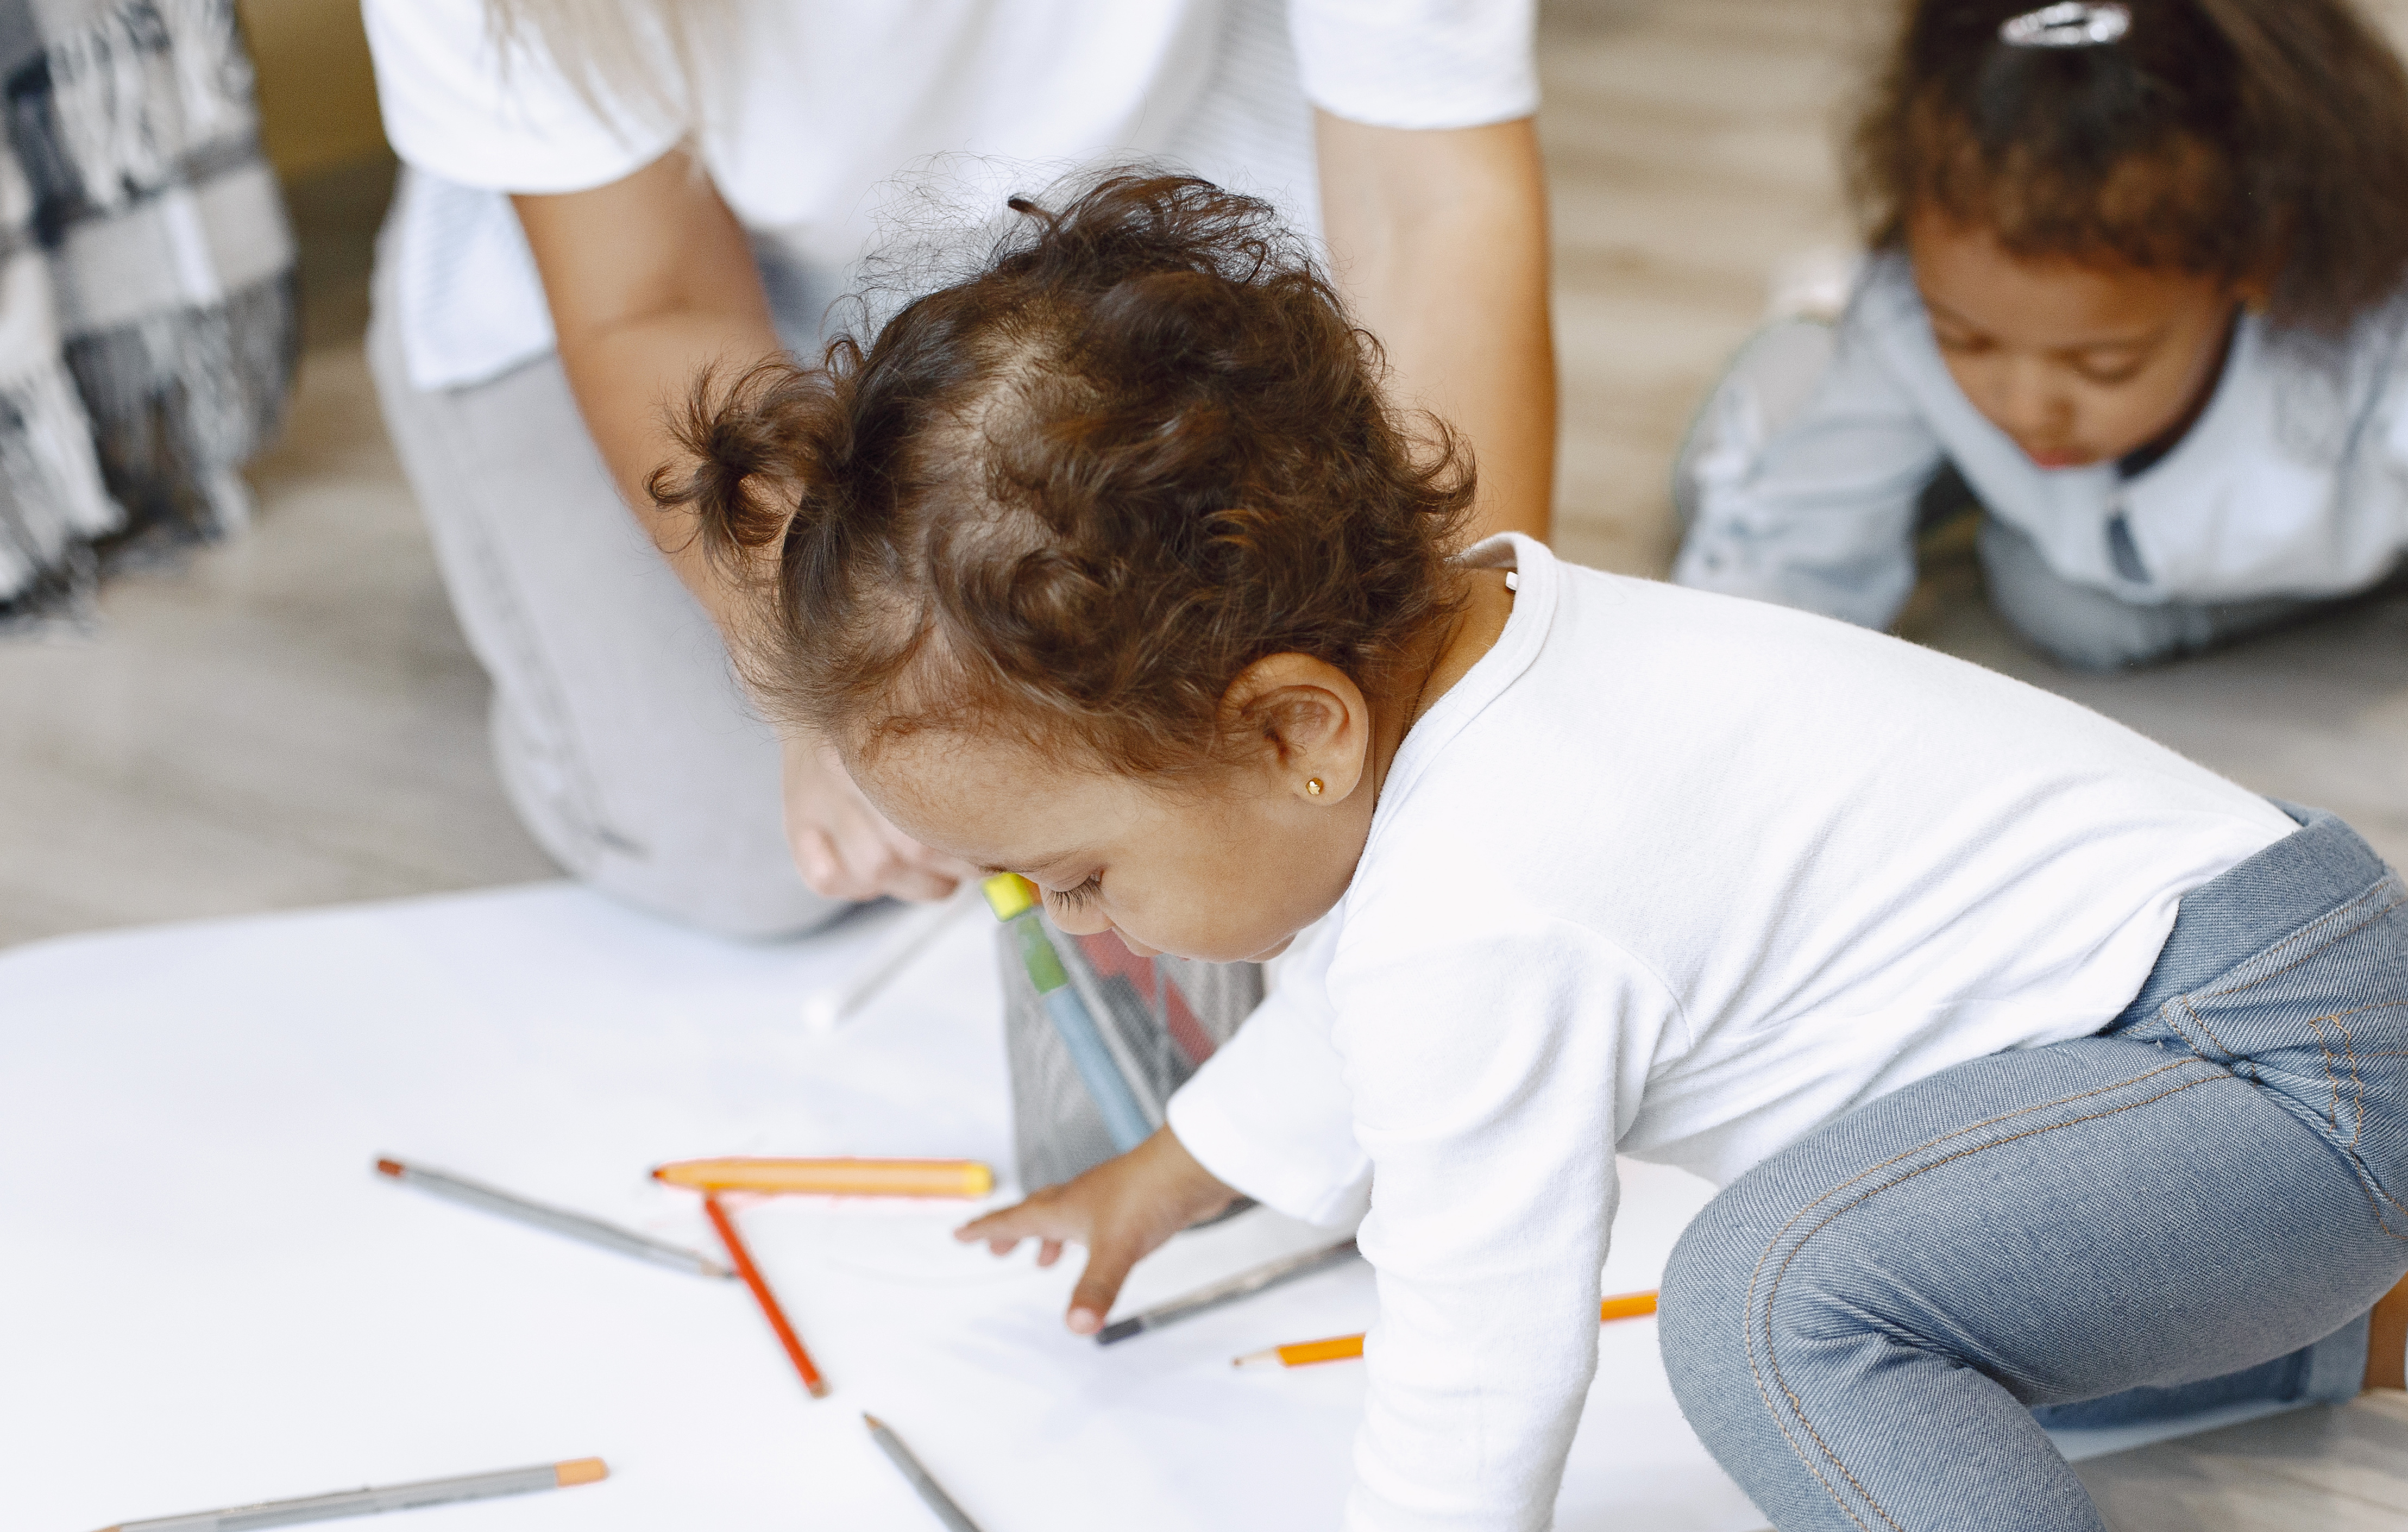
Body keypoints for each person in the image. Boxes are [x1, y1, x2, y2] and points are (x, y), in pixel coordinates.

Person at [656, 177, 2408, 1532]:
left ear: (1298, 727)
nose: (1093, 925)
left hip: (2264, 1071)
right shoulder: (1487, 662)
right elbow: (1366, 1012)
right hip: (2286, 1023)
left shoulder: (1486, 895)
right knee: (1911, 1309)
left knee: (1776, 1309)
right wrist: (1176, 1169)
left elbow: (1478, 1280)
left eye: (1087, 869)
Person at [1670, 0, 2408, 1185]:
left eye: (2102, 362)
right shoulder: (1915, 301)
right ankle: (1826, 365)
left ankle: (1996, 487)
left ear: (2254, 262)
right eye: (1966, 340)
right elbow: (1789, 565)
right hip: (2107, 517)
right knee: (1874, 524)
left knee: (2079, 604)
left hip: (2352, 502)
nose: (2029, 405)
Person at [361, 0, 1551, 936]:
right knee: (750, 862)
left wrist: (1452, 727)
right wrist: (814, 652)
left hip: (1132, 232)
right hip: (669, 282)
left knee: (1291, 753)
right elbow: (653, 300)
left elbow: (1431, 205)